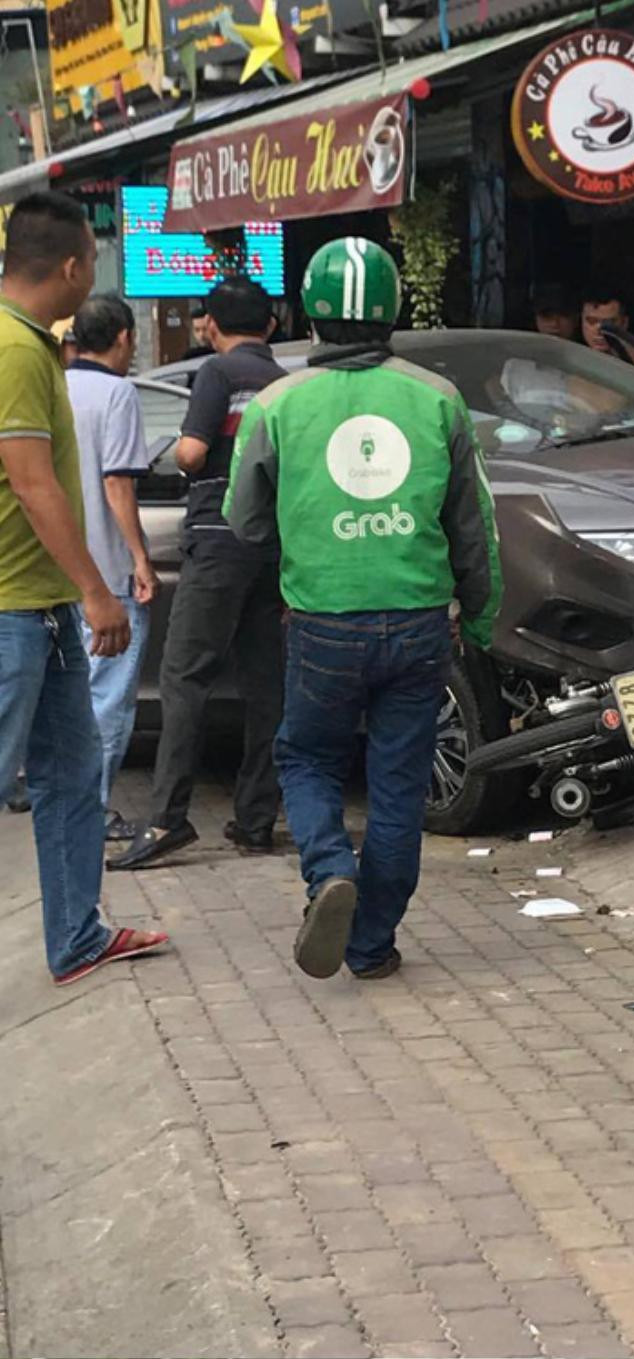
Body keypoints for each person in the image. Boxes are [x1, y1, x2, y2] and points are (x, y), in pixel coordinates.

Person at [224, 237, 501, 981]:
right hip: (418, 623)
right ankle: (372, 943)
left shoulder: (277, 403)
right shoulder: (437, 397)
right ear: (394, 310)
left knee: (307, 755)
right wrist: (477, 615)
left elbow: (243, 521)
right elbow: (475, 526)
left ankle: (327, 872)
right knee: (399, 785)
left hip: (321, 621)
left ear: (309, 314)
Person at [0, 192, 168, 983]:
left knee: (70, 779)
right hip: (12, 611)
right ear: (70, 266)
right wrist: (98, 591)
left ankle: (77, 936)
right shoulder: (12, 347)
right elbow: (34, 485)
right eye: (94, 262)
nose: (93, 276)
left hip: (43, 609)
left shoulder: (35, 345)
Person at [110, 278, 285, 870]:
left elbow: (187, 453)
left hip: (217, 539)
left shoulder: (218, 373)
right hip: (275, 547)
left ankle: (166, 821)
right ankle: (257, 820)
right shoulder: (285, 383)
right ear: (271, 325)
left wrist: (193, 455)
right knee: (268, 685)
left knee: (185, 678)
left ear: (210, 324)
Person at [66, 294, 160, 841]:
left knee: (64, 696)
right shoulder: (117, 393)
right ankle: (92, 809)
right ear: (125, 338)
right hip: (106, 574)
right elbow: (117, 482)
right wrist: (140, 559)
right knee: (107, 699)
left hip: (52, 573)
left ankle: (61, 803)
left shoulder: (52, 386)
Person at [580, 289, 629, 354]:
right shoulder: (567, 357)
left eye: (609, 322)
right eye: (592, 321)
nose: (599, 330)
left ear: (624, 323)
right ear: (582, 320)